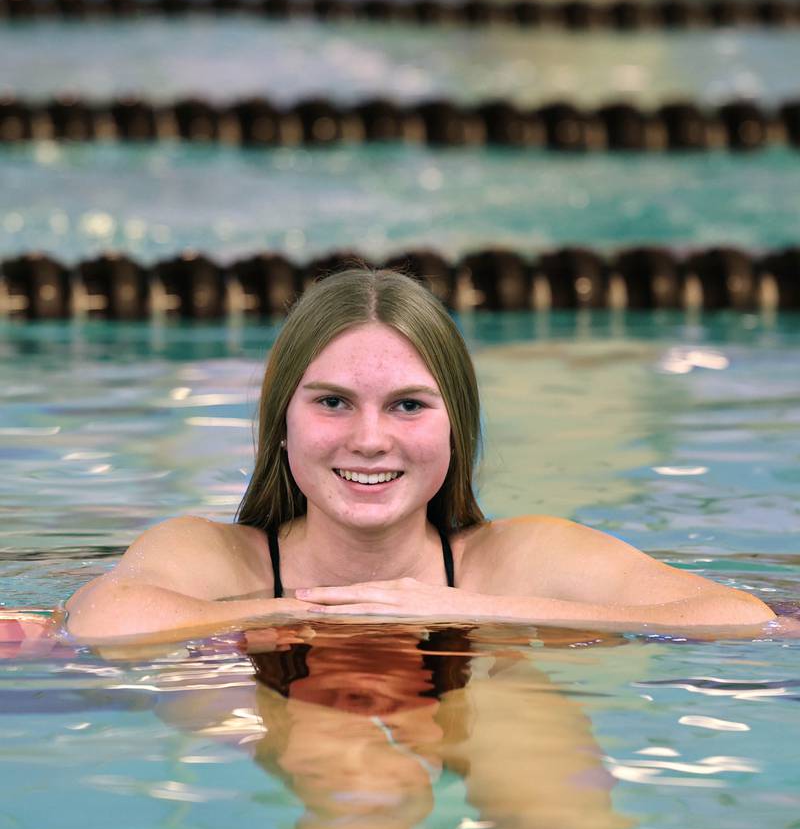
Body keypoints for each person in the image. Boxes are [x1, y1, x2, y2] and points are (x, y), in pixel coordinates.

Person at [65, 266, 774, 642]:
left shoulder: (515, 561)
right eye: (333, 402)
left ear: (455, 427)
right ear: (281, 425)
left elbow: (738, 618)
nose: (370, 438)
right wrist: (302, 616)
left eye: (408, 405)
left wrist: (478, 610)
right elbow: (102, 621)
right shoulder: (216, 558)